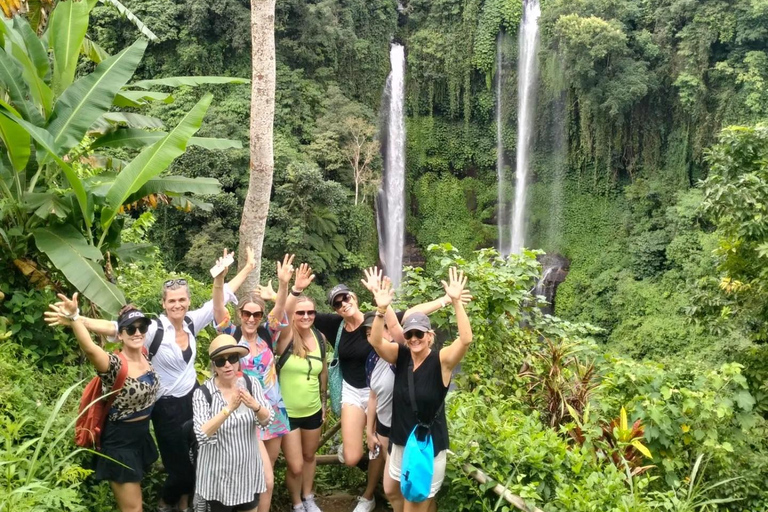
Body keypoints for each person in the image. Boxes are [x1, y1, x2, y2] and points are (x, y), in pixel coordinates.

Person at [45, 251, 241, 512]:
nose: (177, 305)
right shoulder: (141, 340)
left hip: (184, 406)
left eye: (182, 299)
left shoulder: (177, 333)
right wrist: (76, 318)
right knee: (175, 471)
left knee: (196, 457)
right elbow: (107, 334)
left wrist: (246, 268)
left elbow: (222, 295)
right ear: (163, 303)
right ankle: (168, 501)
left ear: (188, 301)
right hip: (152, 417)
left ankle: (185, 504)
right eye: (172, 301)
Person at [312, 268, 461, 512]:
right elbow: (304, 315)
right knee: (387, 475)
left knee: (410, 487)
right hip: (370, 399)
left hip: (403, 421)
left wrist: (447, 300)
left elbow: (411, 316)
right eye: (337, 303)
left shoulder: (401, 353)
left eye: (346, 298)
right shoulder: (337, 325)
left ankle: (371, 495)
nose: (342, 304)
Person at [367, 268, 473, 512]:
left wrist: (456, 302)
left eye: (419, 334)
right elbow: (375, 341)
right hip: (401, 440)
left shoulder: (442, 361)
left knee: (413, 504)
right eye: (409, 334)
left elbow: (465, 340)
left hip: (426, 446)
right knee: (392, 491)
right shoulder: (401, 355)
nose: (413, 338)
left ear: (429, 336)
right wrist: (381, 310)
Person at [48, 298, 159, 512]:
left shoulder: (145, 355)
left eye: (141, 327)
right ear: (120, 334)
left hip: (140, 436)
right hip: (120, 442)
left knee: (137, 499)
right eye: (130, 329)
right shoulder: (114, 365)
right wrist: (74, 318)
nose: (137, 333)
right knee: (133, 509)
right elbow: (90, 349)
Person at [212, 253, 294, 512]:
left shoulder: (268, 334)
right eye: (246, 313)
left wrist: (283, 285)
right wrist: (219, 281)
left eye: (256, 314)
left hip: (272, 412)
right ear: (239, 313)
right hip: (242, 414)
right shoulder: (230, 335)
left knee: (264, 480)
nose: (250, 319)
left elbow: (279, 310)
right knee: (255, 477)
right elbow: (217, 310)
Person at [193, 334, 274, 512]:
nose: (227, 364)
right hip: (218, 478)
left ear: (238, 360)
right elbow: (201, 433)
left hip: (247, 474)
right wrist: (228, 409)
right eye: (221, 361)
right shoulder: (204, 393)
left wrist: (256, 406)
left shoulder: (251, 384)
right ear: (214, 365)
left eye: (232, 358)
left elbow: (268, 420)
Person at [274, 262, 327, 512]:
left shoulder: (320, 339)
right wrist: (294, 290)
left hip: (313, 411)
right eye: (301, 312)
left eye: (311, 313)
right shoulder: (285, 337)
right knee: (295, 465)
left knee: (309, 457)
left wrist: (324, 403)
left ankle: (308, 496)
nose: (306, 317)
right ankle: (296, 503)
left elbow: (323, 372)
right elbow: (280, 315)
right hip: (288, 413)